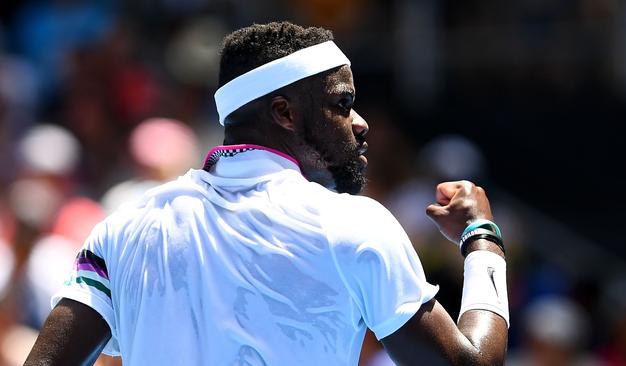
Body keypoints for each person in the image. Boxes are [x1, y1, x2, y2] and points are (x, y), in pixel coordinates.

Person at [24, 21, 509, 365]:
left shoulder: (122, 228)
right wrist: (481, 237)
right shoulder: (355, 225)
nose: (361, 125)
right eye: (342, 104)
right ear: (285, 113)